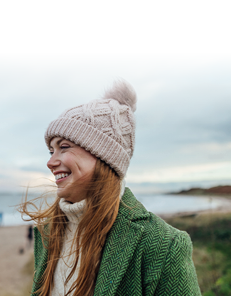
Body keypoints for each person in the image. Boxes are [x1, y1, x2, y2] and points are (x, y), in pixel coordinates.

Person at [19, 78, 201, 296]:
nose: (50, 162)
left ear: (105, 156)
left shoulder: (162, 245)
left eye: (64, 147)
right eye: (51, 151)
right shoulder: (47, 231)